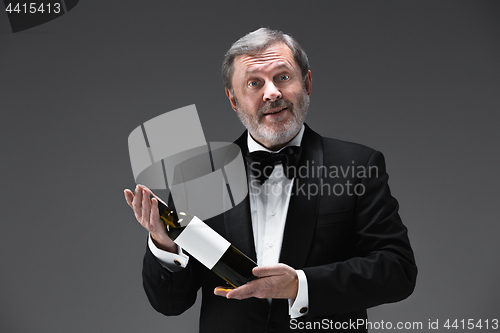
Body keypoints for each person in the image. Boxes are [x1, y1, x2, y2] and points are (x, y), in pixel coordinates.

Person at [124, 28, 417, 332]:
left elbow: (398, 272)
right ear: (233, 99)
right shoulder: (198, 176)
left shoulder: (357, 165)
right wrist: (164, 243)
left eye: (283, 77)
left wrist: (298, 285)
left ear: (307, 84)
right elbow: (171, 304)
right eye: (254, 83)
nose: (272, 93)